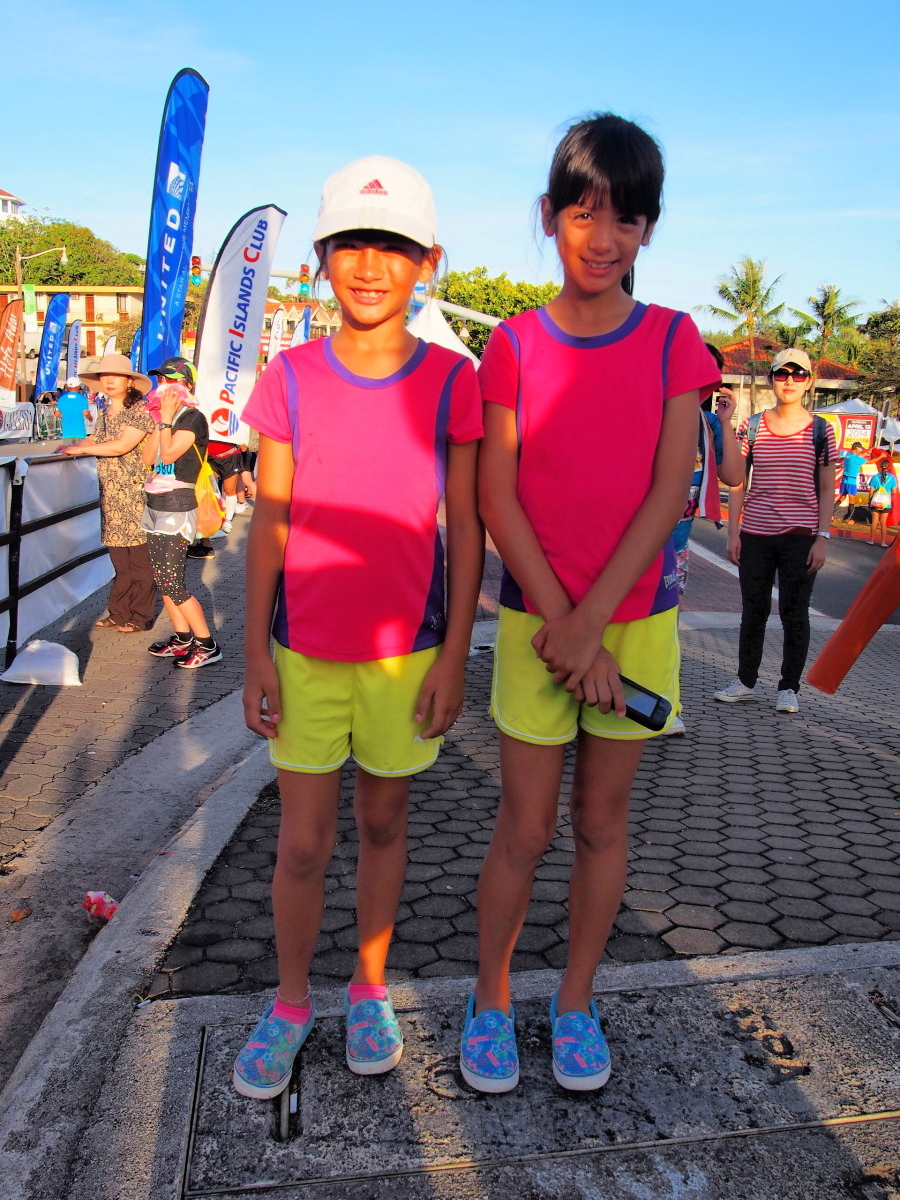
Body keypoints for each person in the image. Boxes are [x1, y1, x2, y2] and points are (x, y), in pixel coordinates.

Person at [462, 114, 717, 1095]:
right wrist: (563, 623)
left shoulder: (675, 340)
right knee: (525, 828)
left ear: (648, 227)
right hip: (539, 624)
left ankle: (575, 1002)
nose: (603, 237)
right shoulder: (515, 344)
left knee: (603, 826)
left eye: (626, 218)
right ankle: (490, 1001)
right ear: (549, 216)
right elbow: (496, 493)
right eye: (583, 213)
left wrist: (591, 625)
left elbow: (667, 494)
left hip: (631, 627)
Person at [232, 156, 483, 1101]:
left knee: (384, 822)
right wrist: (253, 651)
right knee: (301, 843)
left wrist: (454, 656)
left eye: (394, 247)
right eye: (351, 244)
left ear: (428, 263)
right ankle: (291, 999)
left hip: (405, 657)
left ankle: (369, 988)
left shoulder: (453, 380)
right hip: (301, 652)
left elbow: (468, 530)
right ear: (321, 257)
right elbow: (271, 519)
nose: (371, 265)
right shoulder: (289, 376)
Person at [714, 348, 837, 714]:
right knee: (753, 611)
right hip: (755, 534)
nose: (790, 381)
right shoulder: (752, 426)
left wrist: (822, 537)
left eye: (798, 375)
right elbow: (738, 482)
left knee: (794, 614)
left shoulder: (821, 430)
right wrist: (733, 533)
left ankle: (788, 688)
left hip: (801, 535)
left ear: (809, 381)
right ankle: (745, 681)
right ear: (771, 379)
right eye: (783, 374)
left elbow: (827, 488)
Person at [664, 346, 744, 734]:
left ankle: (666, 705)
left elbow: (734, 476)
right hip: (630, 540)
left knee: (666, 627)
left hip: (676, 545)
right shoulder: (653, 410)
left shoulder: (708, 424)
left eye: (711, 373)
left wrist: (725, 422)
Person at [62, 354, 157, 633]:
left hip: (134, 495)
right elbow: (97, 439)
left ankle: (140, 616)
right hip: (111, 497)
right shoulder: (105, 412)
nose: (109, 380)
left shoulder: (140, 410)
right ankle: (119, 611)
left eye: (116, 375)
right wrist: (72, 446)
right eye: (104, 376)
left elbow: (122, 445)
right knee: (120, 562)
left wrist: (81, 449)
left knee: (139, 562)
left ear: (129, 381)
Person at [141, 366, 222, 668]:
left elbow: (170, 455)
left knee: (173, 582)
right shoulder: (164, 418)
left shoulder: (192, 418)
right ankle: (182, 637)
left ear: (187, 385)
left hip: (178, 505)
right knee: (162, 579)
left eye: (172, 380)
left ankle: (207, 644)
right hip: (154, 503)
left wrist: (165, 419)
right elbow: (148, 459)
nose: (164, 386)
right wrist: (159, 420)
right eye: (161, 380)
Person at [867, 456, 898, 547]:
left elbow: (871, 491)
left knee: (874, 521)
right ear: (888, 467)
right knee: (883, 523)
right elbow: (894, 491)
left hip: (875, 502)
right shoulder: (892, 478)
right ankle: (883, 542)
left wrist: (869, 501)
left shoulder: (875, 477)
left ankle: (871, 540)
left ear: (880, 466)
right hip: (886, 503)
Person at [836, 441, 866, 521]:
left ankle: (831, 514)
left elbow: (859, 457)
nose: (861, 451)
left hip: (844, 480)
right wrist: (880, 457)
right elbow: (869, 461)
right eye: (860, 449)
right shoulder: (856, 458)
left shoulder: (848, 455)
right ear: (856, 448)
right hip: (851, 481)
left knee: (842, 497)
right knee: (852, 500)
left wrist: (866, 453)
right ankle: (850, 519)